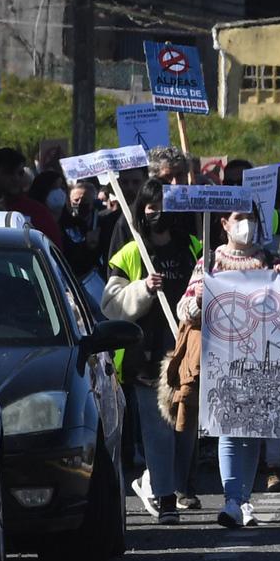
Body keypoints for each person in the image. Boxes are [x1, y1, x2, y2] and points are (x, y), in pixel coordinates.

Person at [103, 180, 203, 523]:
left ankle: (167, 484)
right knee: (158, 431)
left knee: (185, 429)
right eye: (151, 207)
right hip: (144, 358)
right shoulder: (131, 253)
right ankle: (165, 498)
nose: (158, 214)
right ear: (142, 211)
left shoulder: (192, 247)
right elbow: (111, 305)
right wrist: (143, 289)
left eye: (165, 206)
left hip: (185, 354)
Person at [194, 206, 280, 528]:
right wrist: (200, 297)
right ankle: (232, 499)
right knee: (228, 429)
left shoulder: (270, 260)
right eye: (238, 218)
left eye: (251, 218)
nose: (246, 224)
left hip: (261, 356)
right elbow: (185, 309)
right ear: (224, 224)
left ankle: (244, 500)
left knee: (253, 430)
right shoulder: (209, 261)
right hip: (224, 357)